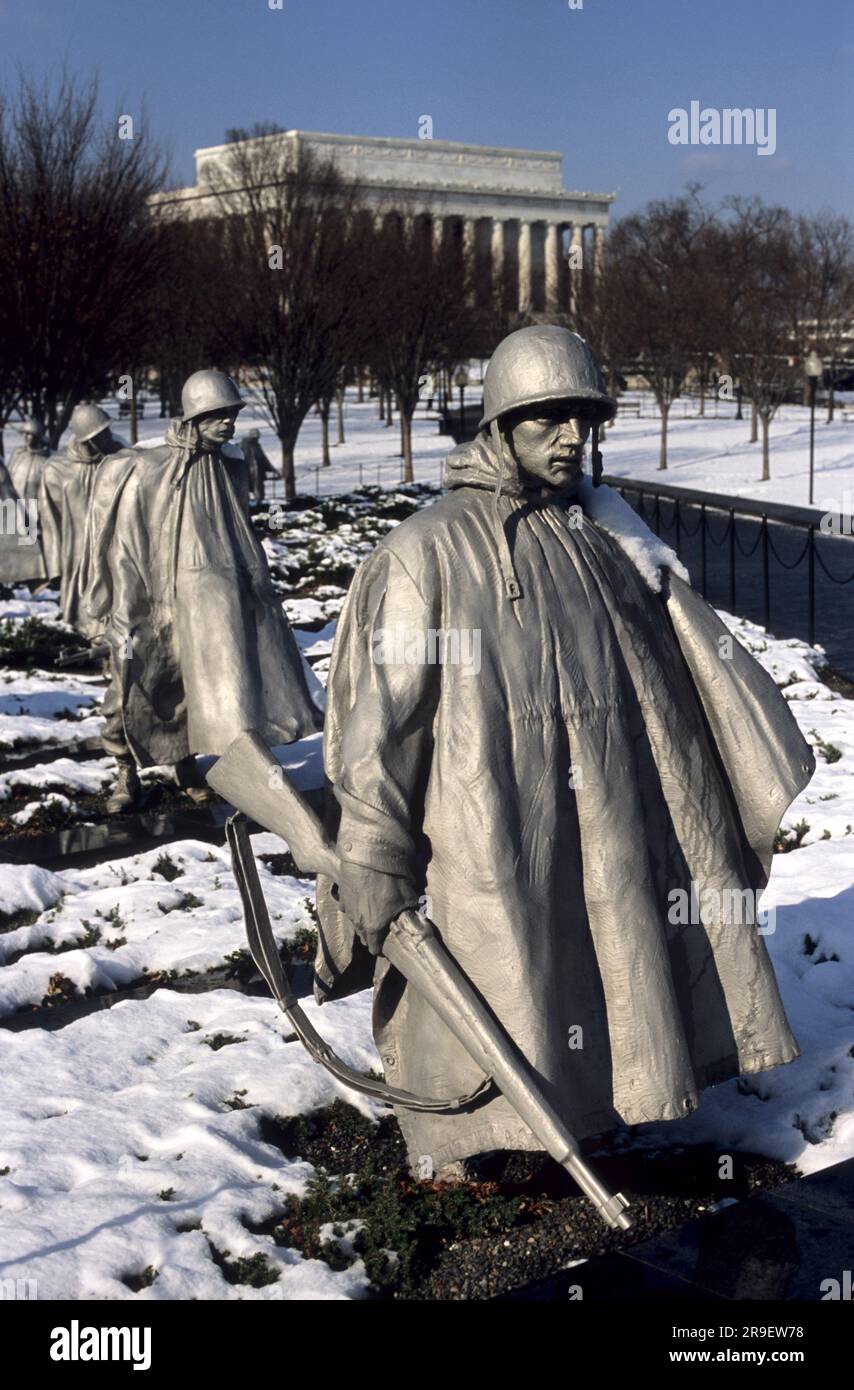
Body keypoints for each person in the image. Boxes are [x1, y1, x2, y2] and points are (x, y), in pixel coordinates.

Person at [315, 325, 815, 1180]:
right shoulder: (425, 553)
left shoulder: (594, 538)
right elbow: (382, 725)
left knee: (611, 954)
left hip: (606, 806)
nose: (571, 438)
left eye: (583, 419)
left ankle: (603, 1106)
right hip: (490, 820)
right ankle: (505, 1135)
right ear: (501, 422)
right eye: (549, 419)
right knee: (519, 966)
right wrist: (370, 850)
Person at [82, 369, 322, 813]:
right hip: (151, 600)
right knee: (133, 686)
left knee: (198, 691)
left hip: (212, 604)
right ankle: (124, 775)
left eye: (231, 414)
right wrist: (116, 607)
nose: (227, 423)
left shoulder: (229, 464)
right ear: (193, 417)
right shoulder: (150, 470)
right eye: (216, 415)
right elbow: (125, 543)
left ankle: (189, 767)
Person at [39, 404, 123, 632]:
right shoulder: (56, 469)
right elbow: (50, 522)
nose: (108, 436)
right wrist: (54, 567)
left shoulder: (120, 458)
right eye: (101, 434)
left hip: (113, 543)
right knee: (79, 600)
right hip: (75, 547)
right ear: (87, 439)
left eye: (107, 431)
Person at [8, 418, 51, 501]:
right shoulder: (17, 454)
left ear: (37, 436)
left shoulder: (46, 459)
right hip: (13, 504)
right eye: (24, 434)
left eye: (29, 434)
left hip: (34, 505)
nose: (25, 437)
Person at [240, 428, 276, 502]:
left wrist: (271, 468)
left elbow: (262, 458)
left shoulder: (256, 445)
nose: (258, 439)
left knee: (259, 487)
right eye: (257, 437)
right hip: (248, 471)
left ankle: (259, 501)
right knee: (248, 487)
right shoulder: (244, 445)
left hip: (257, 470)